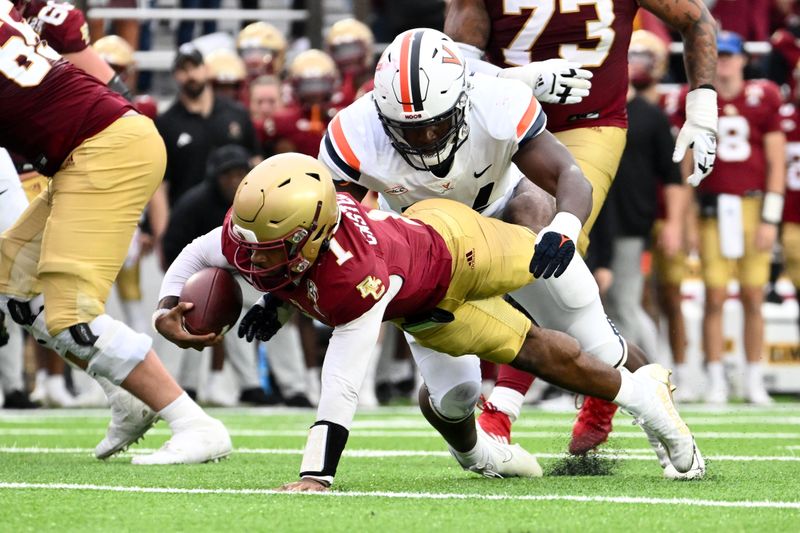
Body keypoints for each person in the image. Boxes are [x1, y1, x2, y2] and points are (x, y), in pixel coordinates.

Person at [155, 152, 703, 491]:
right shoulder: (254, 232)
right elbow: (197, 256)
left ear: (314, 233)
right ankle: (490, 455)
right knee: (463, 394)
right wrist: (166, 306)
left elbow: (342, 380)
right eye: (254, 245)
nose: (255, 261)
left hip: (458, 246)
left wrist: (314, 476)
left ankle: (644, 399)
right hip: (425, 310)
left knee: (549, 267)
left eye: (275, 249)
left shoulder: (355, 276)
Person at [444, 0, 718, 450]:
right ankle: (611, 370)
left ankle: (505, 405)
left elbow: (696, 19)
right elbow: (452, 69)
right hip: (505, 122)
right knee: (503, 261)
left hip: (591, 124)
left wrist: (703, 110)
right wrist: (520, 80)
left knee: (545, 244)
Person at [0, 1, 230, 463]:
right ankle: (128, 396)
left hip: (104, 148)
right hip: (97, 144)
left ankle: (194, 423)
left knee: (72, 311)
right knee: (14, 284)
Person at [675, 32, 786, 404]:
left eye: (728, 56)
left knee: (755, 294)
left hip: (752, 208)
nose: (722, 62)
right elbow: (687, 164)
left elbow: (776, 162)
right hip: (711, 209)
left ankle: (753, 378)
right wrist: (687, 217)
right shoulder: (699, 103)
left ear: (742, 60)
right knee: (715, 296)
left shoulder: (763, 97)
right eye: (717, 56)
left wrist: (771, 218)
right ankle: (717, 379)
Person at [153, 43, 259, 263]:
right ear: (175, 75)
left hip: (240, 223)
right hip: (189, 225)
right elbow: (160, 186)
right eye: (183, 69)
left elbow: (258, 165)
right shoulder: (166, 123)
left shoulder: (236, 113)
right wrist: (163, 236)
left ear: (206, 69)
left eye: (195, 66)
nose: (190, 74)